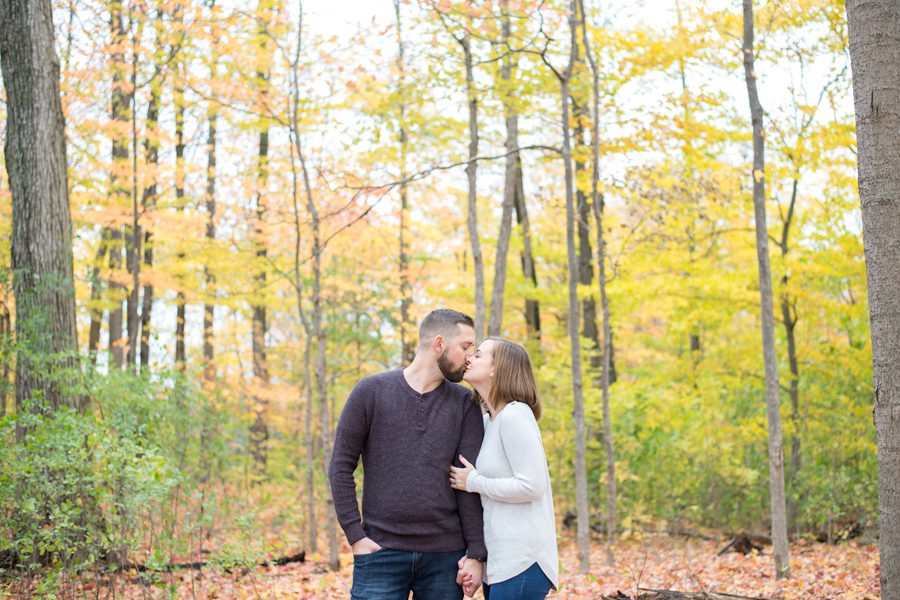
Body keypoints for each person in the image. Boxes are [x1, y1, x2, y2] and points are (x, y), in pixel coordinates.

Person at [329, 309, 487, 599]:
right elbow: (340, 466)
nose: (470, 356)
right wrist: (355, 536)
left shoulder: (465, 402)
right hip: (380, 551)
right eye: (465, 347)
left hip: (445, 556)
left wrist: (476, 553)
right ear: (439, 343)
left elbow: (466, 481)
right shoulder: (371, 391)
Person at [450, 337, 559, 600]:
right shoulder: (490, 421)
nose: (469, 359)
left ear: (495, 369)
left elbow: (532, 486)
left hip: (523, 562)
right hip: (501, 563)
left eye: (478, 355)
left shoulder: (515, 415)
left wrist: (474, 481)